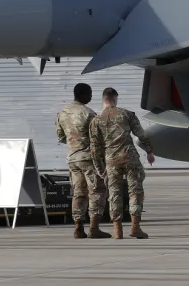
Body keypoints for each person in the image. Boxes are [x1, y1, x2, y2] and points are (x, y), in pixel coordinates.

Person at [89, 87, 156, 239]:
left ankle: (117, 230)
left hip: (111, 161)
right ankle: (135, 227)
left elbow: (94, 148)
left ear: (103, 99)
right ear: (115, 98)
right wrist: (149, 152)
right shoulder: (127, 114)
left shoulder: (96, 120)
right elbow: (141, 135)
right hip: (130, 158)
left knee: (114, 193)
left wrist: (99, 168)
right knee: (135, 191)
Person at [55, 82, 109, 239]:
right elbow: (99, 138)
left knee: (78, 192)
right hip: (89, 159)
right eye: (89, 94)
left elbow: (61, 136)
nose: (91, 97)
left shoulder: (62, 113)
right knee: (96, 191)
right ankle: (94, 227)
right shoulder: (89, 114)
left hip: (73, 158)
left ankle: (78, 227)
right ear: (83, 94)